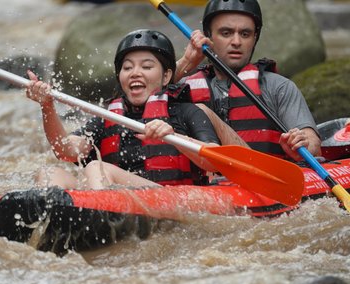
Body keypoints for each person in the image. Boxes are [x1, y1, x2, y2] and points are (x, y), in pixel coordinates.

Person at [26, 29, 222, 190]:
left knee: (97, 168)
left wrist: (176, 137)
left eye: (146, 66)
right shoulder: (107, 119)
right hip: (120, 200)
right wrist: (47, 107)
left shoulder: (186, 112)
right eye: (127, 68)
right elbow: (65, 150)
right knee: (50, 173)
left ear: (166, 76)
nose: (135, 73)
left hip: (171, 199)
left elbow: (216, 161)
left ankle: (99, 218)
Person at [175, 0, 321, 161]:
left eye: (245, 34)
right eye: (226, 33)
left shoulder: (279, 87)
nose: (236, 42)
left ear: (255, 38)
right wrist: (185, 62)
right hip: (206, 183)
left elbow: (313, 144)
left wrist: (303, 144)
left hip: (264, 179)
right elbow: (148, 100)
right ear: (208, 36)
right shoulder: (183, 87)